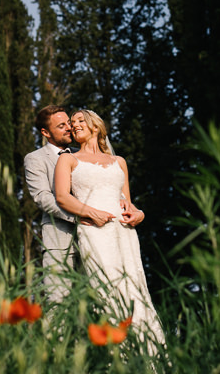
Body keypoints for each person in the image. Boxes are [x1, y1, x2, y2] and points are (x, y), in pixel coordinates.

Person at [54, 109, 165, 353]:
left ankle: (146, 353)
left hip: (124, 233)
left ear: (96, 126)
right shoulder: (67, 159)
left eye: (80, 120)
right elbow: (62, 197)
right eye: (72, 123)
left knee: (134, 287)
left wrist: (139, 214)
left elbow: (127, 201)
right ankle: (115, 354)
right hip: (94, 231)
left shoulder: (119, 162)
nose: (74, 125)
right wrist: (90, 212)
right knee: (106, 287)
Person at [23, 105, 77, 303]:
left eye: (68, 123)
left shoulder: (82, 155)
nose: (69, 128)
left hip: (95, 239)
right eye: (61, 125)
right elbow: (42, 198)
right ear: (45, 132)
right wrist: (80, 217)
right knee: (60, 303)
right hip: (59, 242)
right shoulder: (35, 159)